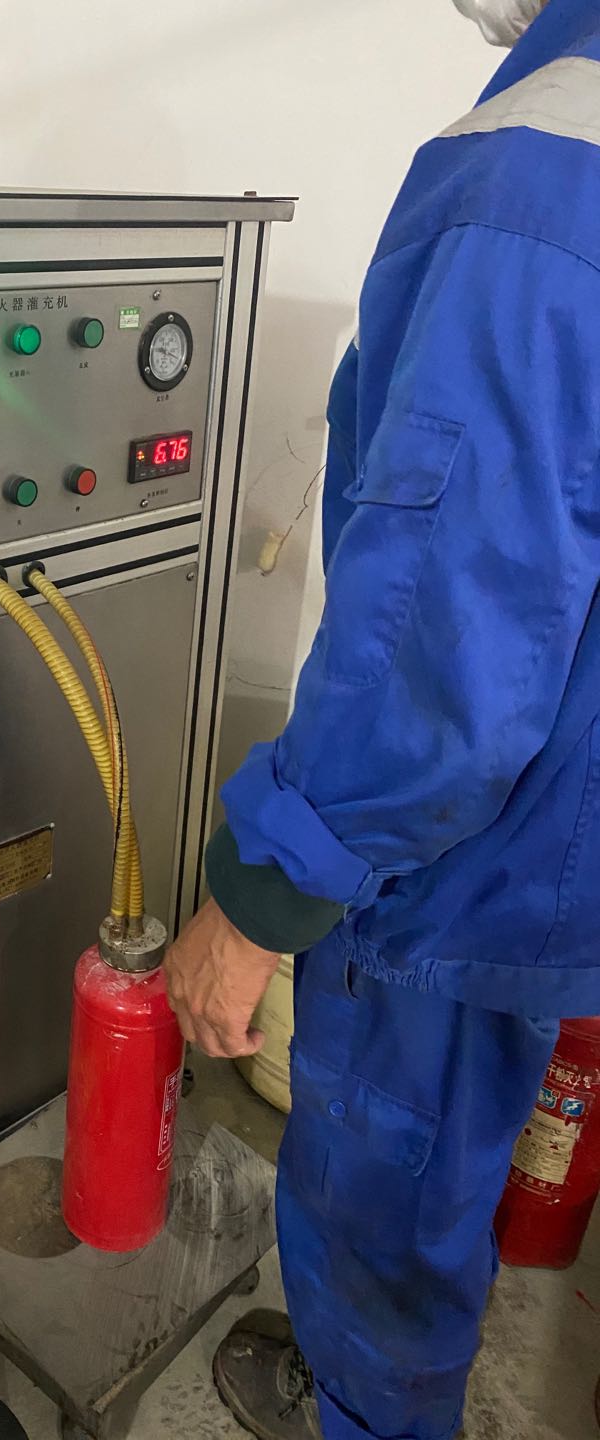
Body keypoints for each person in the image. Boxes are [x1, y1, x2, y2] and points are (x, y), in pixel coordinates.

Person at [163, 2, 600, 1436]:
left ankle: (366, 1409)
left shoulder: (539, 170)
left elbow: (443, 656)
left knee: (386, 1199)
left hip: (467, 862)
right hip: (567, 832)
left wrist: (257, 902)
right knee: (454, 1169)